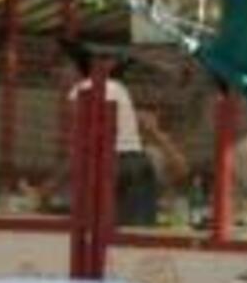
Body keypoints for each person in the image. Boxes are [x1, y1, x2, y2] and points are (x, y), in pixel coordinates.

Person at [63, 40, 173, 228]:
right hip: (138, 162)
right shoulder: (119, 88)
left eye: (63, 67)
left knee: (99, 231)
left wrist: (47, 189)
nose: (59, 73)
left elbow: (83, 142)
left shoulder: (81, 90)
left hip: (109, 163)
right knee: (139, 232)